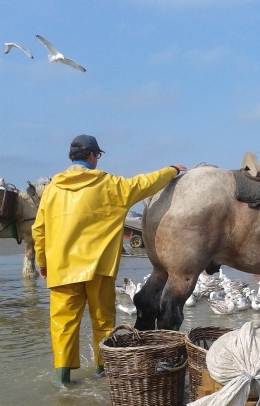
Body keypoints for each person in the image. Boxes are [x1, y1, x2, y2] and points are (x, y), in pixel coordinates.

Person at [32, 134, 186, 385]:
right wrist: (170, 171)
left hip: (62, 270)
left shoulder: (53, 189)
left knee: (62, 326)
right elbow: (143, 183)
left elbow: (39, 229)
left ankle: (62, 383)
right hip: (99, 268)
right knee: (103, 322)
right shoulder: (110, 185)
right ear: (92, 156)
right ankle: (103, 374)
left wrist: (42, 261)